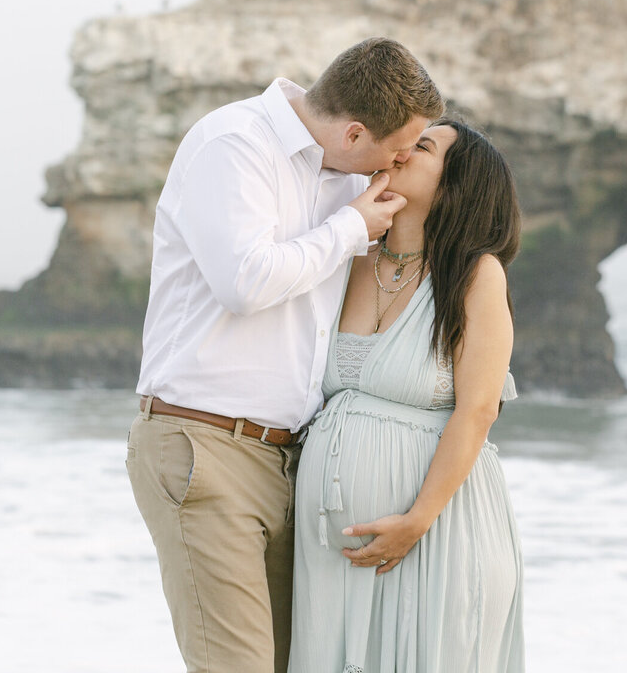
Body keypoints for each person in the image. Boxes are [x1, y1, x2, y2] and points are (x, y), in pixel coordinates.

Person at [125, 37, 444, 673]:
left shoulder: (350, 173)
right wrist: (350, 227)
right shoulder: (235, 144)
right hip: (205, 443)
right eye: (399, 147)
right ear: (354, 132)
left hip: (292, 458)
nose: (401, 161)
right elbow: (243, 282)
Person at [289, 118, 525, 672]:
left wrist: (416, 521)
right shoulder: (348, 264)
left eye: (420, 147)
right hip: (331, 555)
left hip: (437, 534)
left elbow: (478, 410)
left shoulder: (476, 276)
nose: (396, 152)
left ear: (455, 184)